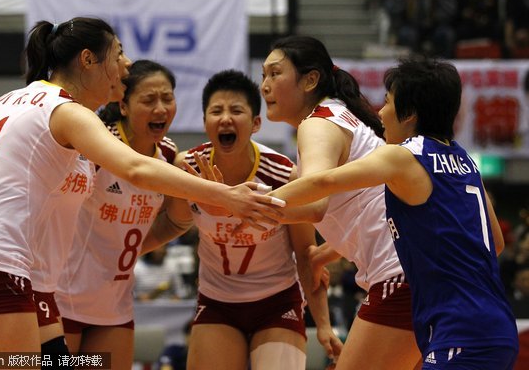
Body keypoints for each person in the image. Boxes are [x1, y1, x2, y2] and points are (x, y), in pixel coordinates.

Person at [0, 17, 282, 355]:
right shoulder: (67, 112)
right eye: (118, 55)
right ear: (87, 60)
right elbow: (134, 167)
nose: (126, 65)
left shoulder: (1, 104)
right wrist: (225, 195)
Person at [269, 56, 520, 369]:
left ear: (410, 113)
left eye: (387, 102)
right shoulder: (466, 161)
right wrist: (329, 252)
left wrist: (251, 204)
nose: (380, 113)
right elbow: (493, 242)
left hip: (459, 331)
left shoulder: (403, 157)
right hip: (496, 325)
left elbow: (322, 181)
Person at [146, 69, 339, 370]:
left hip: (277, 302)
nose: (225, 118)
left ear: (256, 123)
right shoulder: (187, 168)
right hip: (216, 301)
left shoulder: (284, 175)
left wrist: (324, 324)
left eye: (236, 110)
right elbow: (174, 224)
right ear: (205, 123)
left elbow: (305, 254)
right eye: (216, 111)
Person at [259, 35, 421, 370]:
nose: (265, 85)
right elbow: (366, 206)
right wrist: (325, 253)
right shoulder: (341, 116)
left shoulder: (318, 123)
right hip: (414, 271)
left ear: (310, 80)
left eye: (275, 74)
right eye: (263, 75)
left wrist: (250, 206)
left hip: (398, 275)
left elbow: (317, 201)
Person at [55, 59, 191, 370]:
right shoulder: (96, 144)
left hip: (114, 304)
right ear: (124, 106)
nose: (161, 109)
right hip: (62, 298)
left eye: (167, 98)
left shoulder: (168, 154)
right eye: (149, 100)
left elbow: (174, 221)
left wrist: (129, 248)